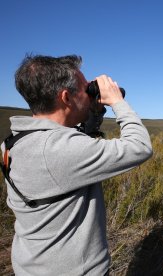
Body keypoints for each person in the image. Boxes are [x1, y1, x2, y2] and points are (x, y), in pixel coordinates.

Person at [0, 55, 153, 275]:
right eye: (84, 88)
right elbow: (140, 146)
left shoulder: (14, 142)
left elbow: (73, 144)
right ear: (66, 97)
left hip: (32, 265)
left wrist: (94, 111)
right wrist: (117, 101)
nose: (89, 93)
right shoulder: (59, 150)